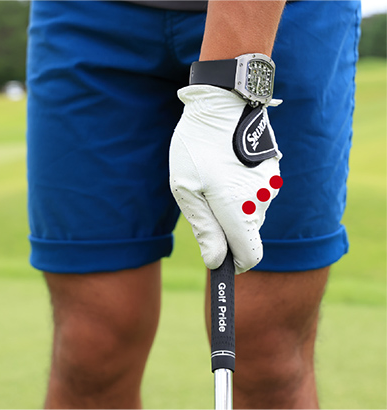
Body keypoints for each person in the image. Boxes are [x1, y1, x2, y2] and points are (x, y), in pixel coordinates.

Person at [26, 0, 361, 408]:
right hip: (88, 16)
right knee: (90, 351)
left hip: (280, 15)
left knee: (271, 359)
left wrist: (228, 88)